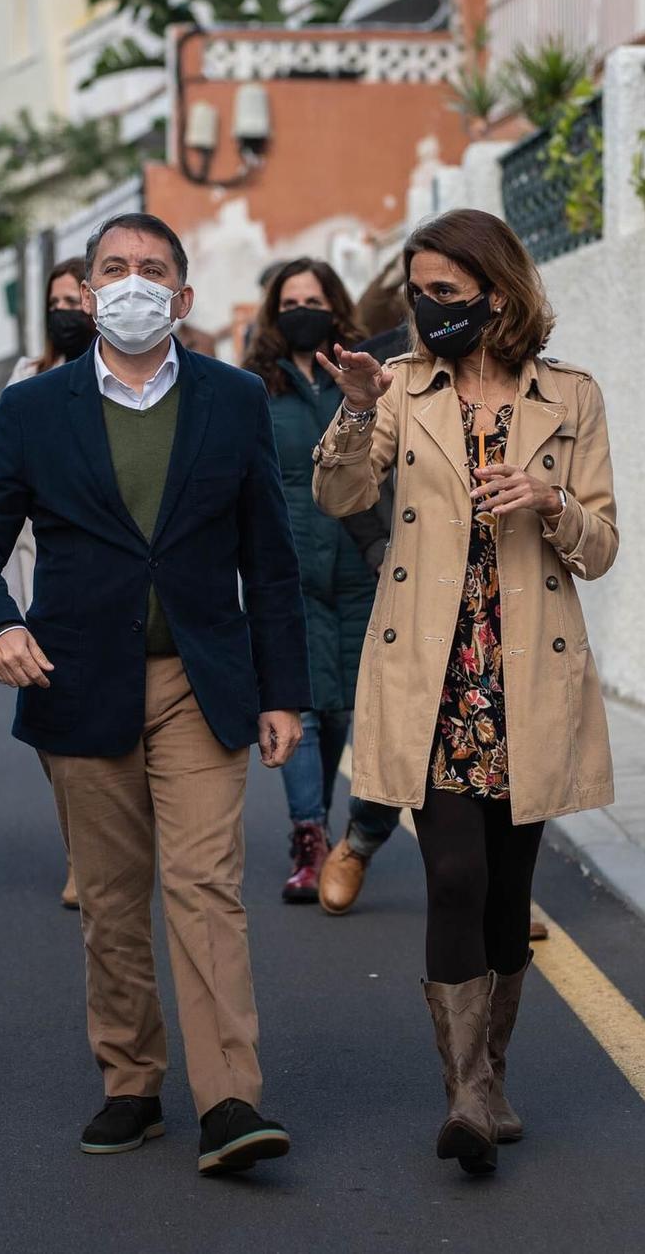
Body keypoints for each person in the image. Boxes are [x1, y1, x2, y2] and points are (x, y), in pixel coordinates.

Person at [0, 212, 310, 1176]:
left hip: (202, 681)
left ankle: (229, 1100)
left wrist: (284, 692)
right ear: (88, 291)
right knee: (109, 900)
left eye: (152, 270)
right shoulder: (35, 409)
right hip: (78, 680)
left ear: (182, 300)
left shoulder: (233, 401)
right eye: (114, 268)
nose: (132, 284)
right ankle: (131, 1083)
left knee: (204, 887)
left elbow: (270, 560)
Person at [313, 208, 618, 1174]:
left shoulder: (571, 397)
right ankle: (468, 1095)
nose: (428, 308)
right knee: (453, 874)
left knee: (508, 889)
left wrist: (553, 503)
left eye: (447, 292)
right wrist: (358, 407)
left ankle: (493, 1069)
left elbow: (604, 545)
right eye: (419, 292)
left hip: (526, 669)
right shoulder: (400, 388)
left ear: (498, 291)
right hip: (433, 669)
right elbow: (340, 497)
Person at [240, 258, 405, 904]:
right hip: (289, 569)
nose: (300, 309)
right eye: (290, 300)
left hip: (364, 563)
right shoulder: (256, 386)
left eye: (313, 298)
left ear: (335, 305)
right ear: (274, 312)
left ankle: (353, 828)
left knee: (349, 707)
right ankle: (309, 837)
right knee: (301, 704)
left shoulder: (368, 376)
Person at [10, 257, 95, 910]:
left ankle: (100, 851)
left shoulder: (128, 379)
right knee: (49, 728)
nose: (66, 310)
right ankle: (82, 848)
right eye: (56, 300)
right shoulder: (26, 378)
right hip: (40, 576)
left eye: (78, 297)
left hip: (105, 577)